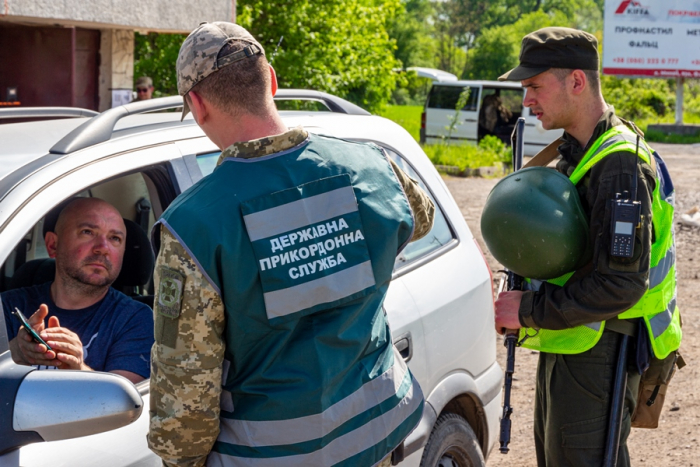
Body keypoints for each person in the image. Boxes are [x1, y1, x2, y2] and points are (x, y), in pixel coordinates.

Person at [147, 22, 434, 467]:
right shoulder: (373, 165)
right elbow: (421, 220)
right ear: (273, 81)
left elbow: (184, 403)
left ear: (198, 105)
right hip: (372, 436)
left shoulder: (193, 226)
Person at [495, 27, 681, 466]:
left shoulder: (619, 164)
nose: (527, 101)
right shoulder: (578, 151)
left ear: (576, 82)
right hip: (574, 339)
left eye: (535, 86)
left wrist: (527, 311)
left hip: (601, 350)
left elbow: (619, 285)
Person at [2, 198, 154, 384]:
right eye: (88, 232)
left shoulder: (135, 319)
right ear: (53, 245)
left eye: (115, 238)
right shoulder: (7, 306)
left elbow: (125, 405)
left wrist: (77, 369)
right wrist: (17, 352)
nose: (103, 249)